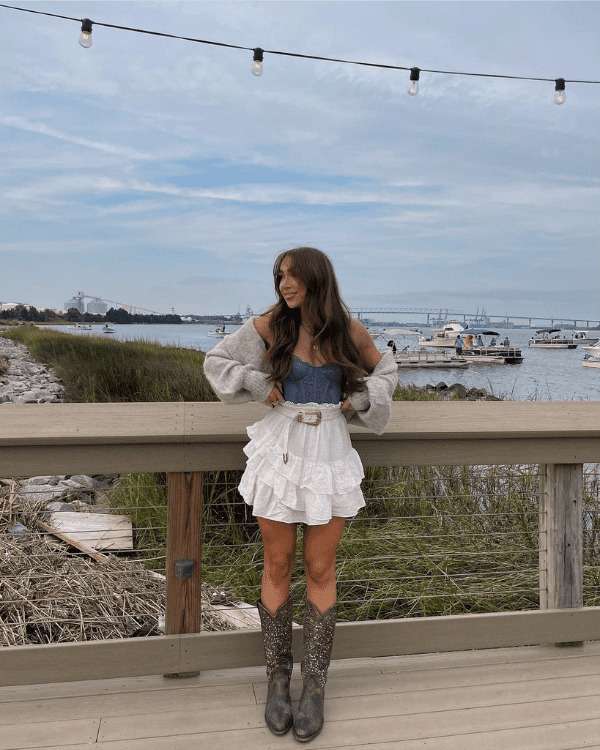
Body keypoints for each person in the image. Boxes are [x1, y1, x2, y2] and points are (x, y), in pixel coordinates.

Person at [203, 246, 398, 742]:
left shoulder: (348, 330)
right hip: (281, 448)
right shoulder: (270, 325)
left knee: (320, 567)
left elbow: (387, 371)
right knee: (276, 563)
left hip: (331, 450)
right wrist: (256, 383)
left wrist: (361, 398)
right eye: (279, 277)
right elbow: (216, 361)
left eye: (292, 276)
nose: (284, 285)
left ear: (317, 278)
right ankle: (277, 679)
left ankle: (314, 686)